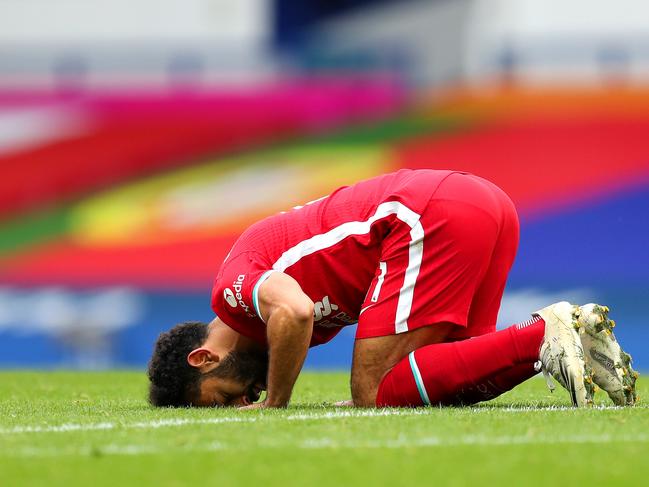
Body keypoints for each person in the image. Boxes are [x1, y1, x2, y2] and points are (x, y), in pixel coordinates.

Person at [147, 169, 638, 409]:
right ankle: (578, 337)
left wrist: (276, 402)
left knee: (374, 391)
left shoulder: (231, 293)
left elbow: (294, 311)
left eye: (224, 398)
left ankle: (544, 333)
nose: (242, 401)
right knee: (454, 378)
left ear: (204, 359)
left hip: (423, 214)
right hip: (483, 205)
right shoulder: (260, 317)